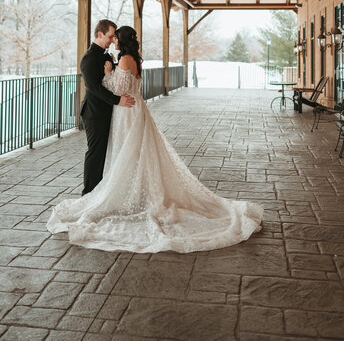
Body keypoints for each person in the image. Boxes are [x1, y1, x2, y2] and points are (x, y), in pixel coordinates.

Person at [47, 26, 263, 253]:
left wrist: (109, 72)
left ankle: (123, 191)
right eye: (111, 37)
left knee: (127, 151)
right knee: (135, 152)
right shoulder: (133, 60)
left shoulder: (123, 61)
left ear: (122, 41)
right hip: (134, 109)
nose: (114, 41)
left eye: (116, 38)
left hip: (127, 110)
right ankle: (129, 188)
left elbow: (117, 88)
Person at [79, 19, 135, 195]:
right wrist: (118, 101)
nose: (112, 40)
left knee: (104, 154)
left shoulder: (105, 55)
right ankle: (88, 193)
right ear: (99, 34)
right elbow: (93, 87)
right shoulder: (88, 58)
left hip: (107, 112)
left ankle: (100, 191)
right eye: (110, 36)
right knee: (95, 154)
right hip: (94, 113)